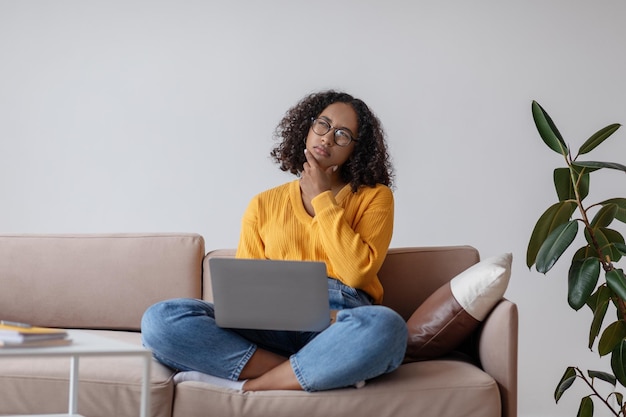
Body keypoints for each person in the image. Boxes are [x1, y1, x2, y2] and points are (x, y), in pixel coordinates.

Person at [141, 90, 408, 392]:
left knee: (387, 327)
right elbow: (245, 293)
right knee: (161, 319)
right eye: (323, 124)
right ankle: (318, 368)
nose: (328, 138)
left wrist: (322, 199)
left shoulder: (375, 197)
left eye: (343, 134)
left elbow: (357, 272)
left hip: (338, 322)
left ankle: (253, 385)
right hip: (271, 323)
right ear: (307, 128)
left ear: (356, 149)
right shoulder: (263, 204)